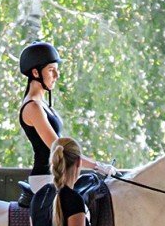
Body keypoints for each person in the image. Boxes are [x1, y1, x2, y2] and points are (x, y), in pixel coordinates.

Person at [18, 41, 116, 193]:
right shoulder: (33, 107)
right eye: (51, 70)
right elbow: (60, 148)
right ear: (35, 73)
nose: (56, 76)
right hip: (46, 179)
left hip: (59, 176)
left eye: (57, 70)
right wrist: (97, 166)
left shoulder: (42, 104)